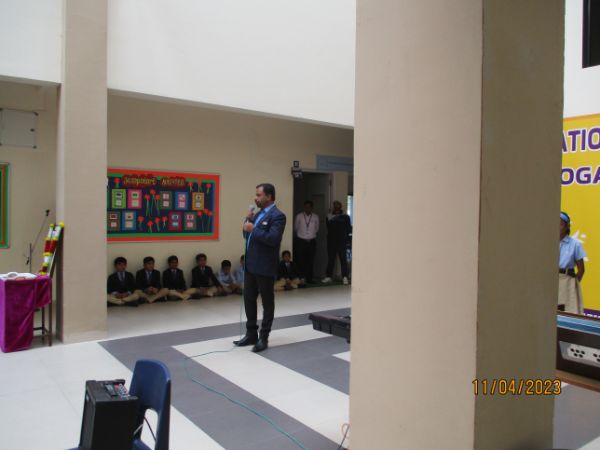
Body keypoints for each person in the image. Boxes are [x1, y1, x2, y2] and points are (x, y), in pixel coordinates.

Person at [234, 183, 286, 353]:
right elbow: (246, 234)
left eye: (258, 195)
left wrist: (253, 229)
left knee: (267, 303)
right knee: (249, 299)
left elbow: (273, 239)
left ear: (268, 197)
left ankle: (264, 337)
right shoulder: (257, 215)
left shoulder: (278, 216)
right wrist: (247, 219)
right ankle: (251, 334)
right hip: (250, 265)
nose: (255, 198)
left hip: (265, 266)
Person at [558, 211, 586, 313]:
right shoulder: (546, 242)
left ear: (567, 227)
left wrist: (573, 284)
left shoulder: (575, 244)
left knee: (566, 312)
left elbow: (581, 269)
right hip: (549, 280)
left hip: (566, 281)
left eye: (560, 224)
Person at [322, 200, 352, 285]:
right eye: (334, 205)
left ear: (340, 206)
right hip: (331, 242)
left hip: (342, 242)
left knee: (343, 259)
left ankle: (345, 277)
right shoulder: (329, 216)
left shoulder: (345, 217)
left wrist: (348, 240)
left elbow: (348, 229)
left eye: (337, 205)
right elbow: (328, 227)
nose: (336, 207)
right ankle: (329, 277)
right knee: (330, 259)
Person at [294, 200, 319, 284]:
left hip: (311, 241)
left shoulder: (315, 217)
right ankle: (301, 278)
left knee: (310, 260)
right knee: (301, 260)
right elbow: (296, 228)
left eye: (309, 207)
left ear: (312, 208)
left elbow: (317, 228)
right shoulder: (299, 216)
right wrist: (303, 236)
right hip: (301, 241)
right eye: (306, 207)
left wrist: (310, 236)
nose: (307, 209)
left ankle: (309, 278)